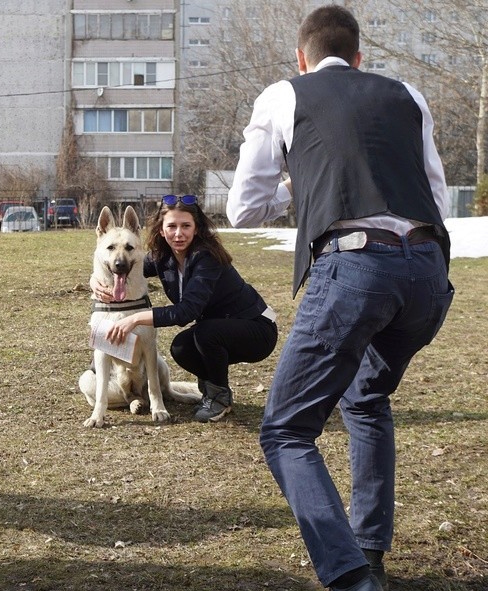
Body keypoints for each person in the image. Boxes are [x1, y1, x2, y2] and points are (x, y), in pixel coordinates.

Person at [227, 6, 454, 591]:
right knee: (366, 396)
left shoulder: (285, 95)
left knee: (286, 430)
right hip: (427, 272)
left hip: (354, 267)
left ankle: (352, 576)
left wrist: (296, 181)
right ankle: (371, 548)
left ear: (300, 58)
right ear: (359, 57)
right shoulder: (407, 93)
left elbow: (242, 210)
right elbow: (436, 195)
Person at [92, 194, 278, 422]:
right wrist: (95, 280)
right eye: (172, 226)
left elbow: (186, 312)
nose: (178, 233)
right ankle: (210, 390)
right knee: (181, 347)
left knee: (205, 334)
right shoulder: (164, 258)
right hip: (220, 329)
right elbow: (129, 264)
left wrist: (135, 319)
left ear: (197, 229)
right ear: (162, 230)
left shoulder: (206, 258)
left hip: (257, 330)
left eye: (185, 226)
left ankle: (219, 398)